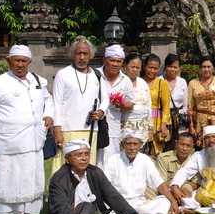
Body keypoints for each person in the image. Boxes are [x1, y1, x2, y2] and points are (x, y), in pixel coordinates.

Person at [0, 45, 53, 214]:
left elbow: (49, 100)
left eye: (23, 61)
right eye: (16, 60)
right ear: (8, 60)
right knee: (2, 182)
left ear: (29, 62)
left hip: (33, 143)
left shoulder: (38, 81)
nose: (20, 64)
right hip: (5, 143)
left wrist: (48, 116)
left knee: (30, 182)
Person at [42, 139, 143, 214]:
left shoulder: (95, 172)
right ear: (67, 159)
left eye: (86, 154)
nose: (84, 158)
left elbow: (114, 197)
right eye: (79, 155)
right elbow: (61, 208)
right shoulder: (59, 179)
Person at [51, 36, 108, 173]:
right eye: (79, 53)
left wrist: (100, 112)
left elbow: (105, 99)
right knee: (66, 164)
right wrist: (57, 129)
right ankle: (62, 192)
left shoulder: (97, 75)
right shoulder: (63, 74)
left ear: (91, 56)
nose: (82, 57)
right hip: (68, 128)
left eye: (85, 54)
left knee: (86, 163)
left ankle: (85, 191)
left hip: (91, 129)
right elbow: (56, 103)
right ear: (73, 55)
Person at [102, 130, 179, 214]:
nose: (132, 147)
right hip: (119, 204)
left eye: (135, 144)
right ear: (122, 144)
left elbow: (158, 183)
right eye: (129, 144)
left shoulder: (145, 160)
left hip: (139, 204)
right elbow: (104, 187)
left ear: (141, 145)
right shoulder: (112, 160)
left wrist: (173, 202)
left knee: (164, 202)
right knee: (111, 212)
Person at [97, 44, 135, 168]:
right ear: (105, 60)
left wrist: (121, 105)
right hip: (93, 125)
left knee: (110, 160)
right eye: (112, 60)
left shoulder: (125, 80)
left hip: (113, 126)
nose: (115, 64)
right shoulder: (94, 75)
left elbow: (131, 103)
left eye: (119, 61)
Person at [187, 56, 215, 148]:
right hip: (200, 122)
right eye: (204, 67)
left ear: (213, 67)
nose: (206, 69)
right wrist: (191, 126)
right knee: (201, 149)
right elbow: (190, 107)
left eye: (209, 66)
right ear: (200, 68)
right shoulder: (193, 83)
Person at [146, 132, 195, 200]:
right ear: (176, 144)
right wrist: (175, 188)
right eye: (182, 144)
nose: (184, 148)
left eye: (188, 146)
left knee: (189, 188)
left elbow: (196, 183)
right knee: (146, 188)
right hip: (166, 191)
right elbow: (161, 182)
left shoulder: (194, 160)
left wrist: (183, 189)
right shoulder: (164, 158)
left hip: (185, 193)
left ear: (192, 147)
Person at [121, 53, 152, 149]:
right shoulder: (120, 81)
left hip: (142, 125)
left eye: (137, 68)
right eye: (132, 67)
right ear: (126, 65)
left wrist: (150, 127)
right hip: (123, 125)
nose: (135, 70)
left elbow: (149, 106)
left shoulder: (142, 83)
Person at [142, 54, 171, 154]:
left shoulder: (162, 83)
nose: (152, 71)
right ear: (144, 66)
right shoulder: (139, 82)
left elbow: (166, 106)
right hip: (142, 120)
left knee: (155, 152)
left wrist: (164, 123)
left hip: (156, 121)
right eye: (150, 67)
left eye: (155, 68)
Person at [160, 54, 190, 136]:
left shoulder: (182, 82)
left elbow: (185, 104)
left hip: (178, 119)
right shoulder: (159, 80)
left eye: (175, 67)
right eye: (170, 66)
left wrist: (182, 118)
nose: (172, 69)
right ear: (165, 67)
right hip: (163, 118)